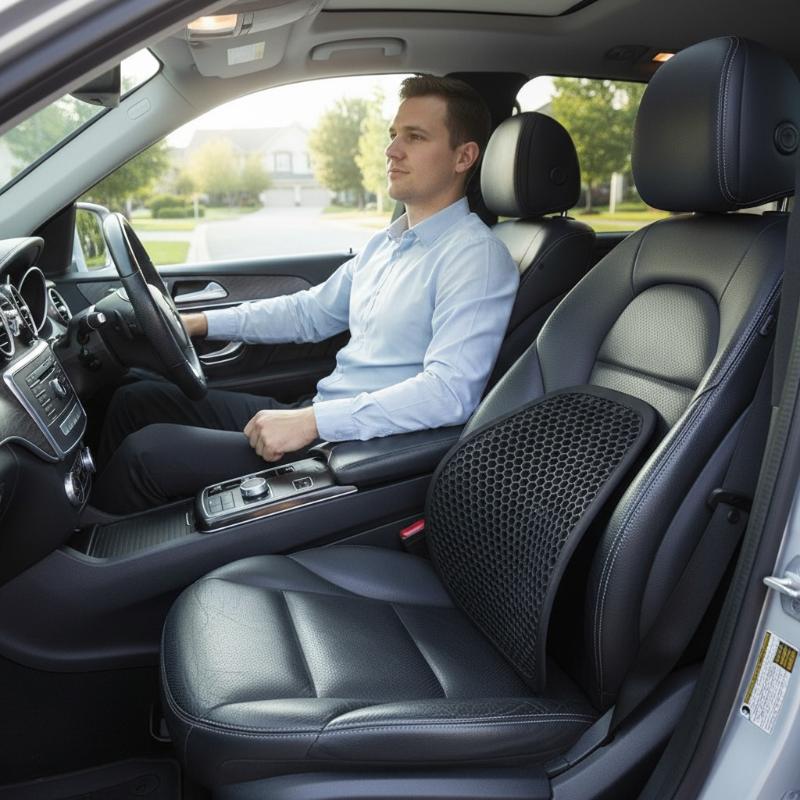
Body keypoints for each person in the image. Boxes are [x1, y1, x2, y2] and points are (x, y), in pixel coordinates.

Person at [92, 74, 519, 513]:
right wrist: (199, 322)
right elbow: (309, 313)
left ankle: (93, 544)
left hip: (347, 451)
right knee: (135, 400)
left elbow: (449, 393)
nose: (392, 150)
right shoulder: (386, 244)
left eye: (415, 137)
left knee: (147, 454)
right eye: (393, 135)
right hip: (320, 412)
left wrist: (312, 422)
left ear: (464, 157)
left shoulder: (475, 258)